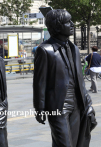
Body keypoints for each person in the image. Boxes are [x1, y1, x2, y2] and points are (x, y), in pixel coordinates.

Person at [33, 9, 96, 147]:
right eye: (68, 22)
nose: (73, 24)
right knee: (64, 143)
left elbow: (79, 80)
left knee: (76, 142)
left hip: (77, 103)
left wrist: (87, 103)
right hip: (57, 105)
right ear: (57, 26)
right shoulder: (45, 50)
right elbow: (39, 83)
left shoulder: (74, 48)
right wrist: (39, 109)